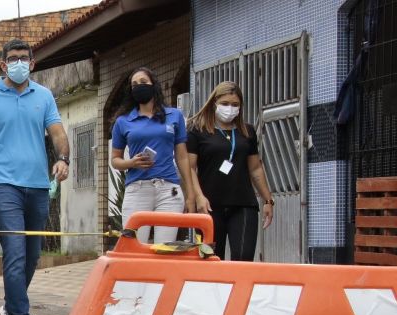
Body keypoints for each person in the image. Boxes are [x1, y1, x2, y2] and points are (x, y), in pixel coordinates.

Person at [0, 38, 69, 315]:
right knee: (15, 250)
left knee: (32, 256)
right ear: (2, 64)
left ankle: (11, 309)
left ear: (33, 63)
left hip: (38, 185)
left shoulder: (44, 96)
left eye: (24, 58)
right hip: (3, 185)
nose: (19, 63)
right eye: (13, 58)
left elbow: (58, 133)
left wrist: (63, 159)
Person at [187, 81, 274, 260]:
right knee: (211, 259)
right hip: (209, 206)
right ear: (214, 103)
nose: (230, 108)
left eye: (235, 105)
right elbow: (190, 168)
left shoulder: (247, 131)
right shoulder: (198, 130)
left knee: (243, 256)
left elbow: (256, 168)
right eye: (225, 104)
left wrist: (268, 200)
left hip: (242, 203)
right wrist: (198, 197)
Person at [110, 66, 195, 244]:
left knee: (164, 248)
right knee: (134, 247)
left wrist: (190, 193)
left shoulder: (174, 115)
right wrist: (132, 163)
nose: (138, 86)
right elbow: (115, 160)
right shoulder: (123, 121)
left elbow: (182, 157)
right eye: (134, 85)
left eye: (143, 82)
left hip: (169, 190)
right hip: (137, 188)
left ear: (154, 85)